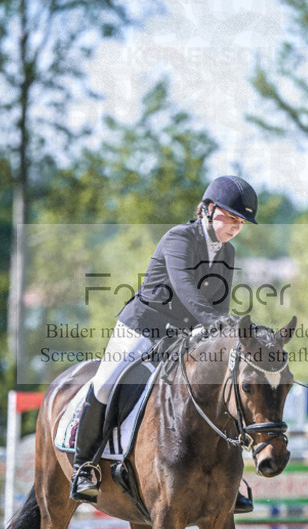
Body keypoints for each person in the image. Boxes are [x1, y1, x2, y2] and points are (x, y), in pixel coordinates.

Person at [69, 175, 259, 511]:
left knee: (218, 386)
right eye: (230, 217)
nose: (235, 226)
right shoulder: (179, 238)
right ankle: (84, 466)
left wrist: (224, 332)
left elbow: (220, 303)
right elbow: (184, 287)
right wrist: (214, 323)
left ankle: (229, 477)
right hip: (143, 326)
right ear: (207, 209)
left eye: (240, 221)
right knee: (106, 382)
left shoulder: (227, 252)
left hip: (183, 336)